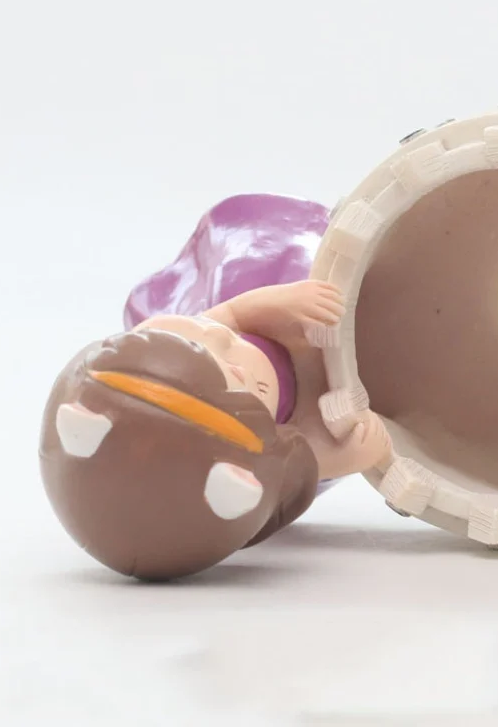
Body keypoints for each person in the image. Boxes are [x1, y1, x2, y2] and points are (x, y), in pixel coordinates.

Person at [39, 193, 391, 580]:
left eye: (214, 345)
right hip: (312, 409)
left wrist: (286, 303)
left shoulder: (205, 338)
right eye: (241, 379)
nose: (228, 349)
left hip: (285, 324)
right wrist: (354, 455)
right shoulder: (279, 443)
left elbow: (233, 315)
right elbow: (312, 458)